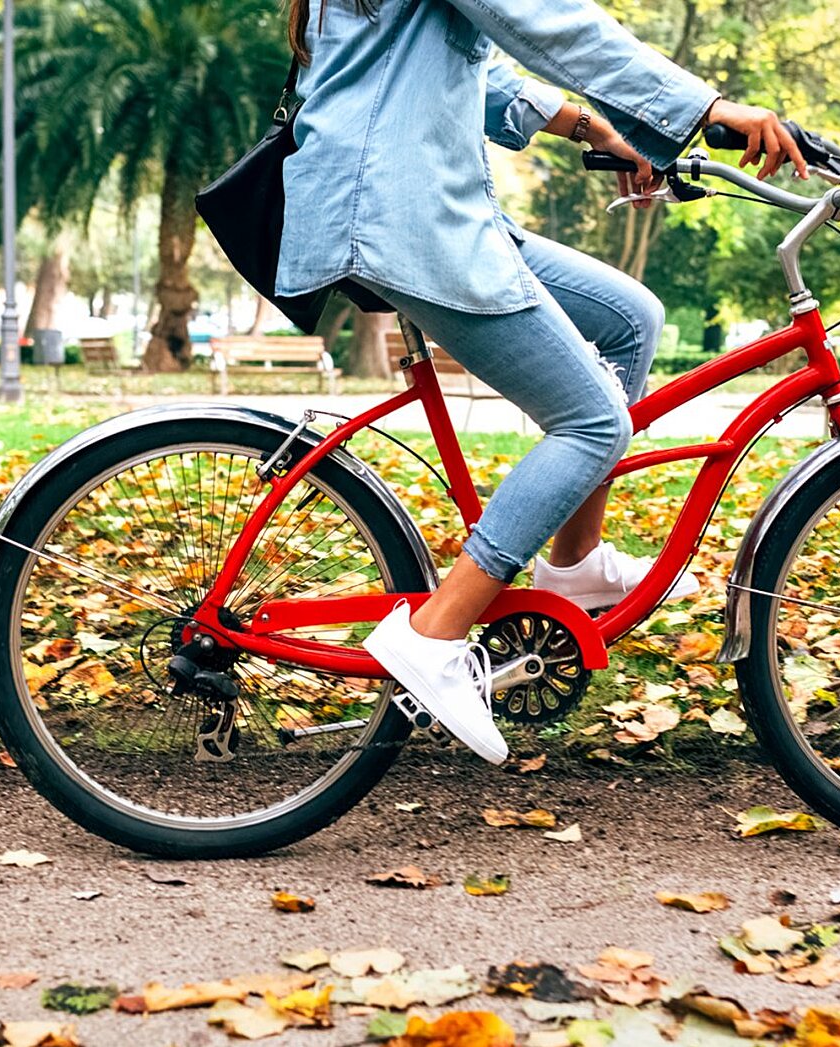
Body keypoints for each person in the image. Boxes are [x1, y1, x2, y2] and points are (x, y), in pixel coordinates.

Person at [277, 0, 807, 764]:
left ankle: (575, 564)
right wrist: (708, 108)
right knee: (595, 421)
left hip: (416, 203)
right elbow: (552, 25)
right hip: (404, 215)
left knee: (629, 319)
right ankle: (436, 634)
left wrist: (600, 130)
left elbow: (473, 72)